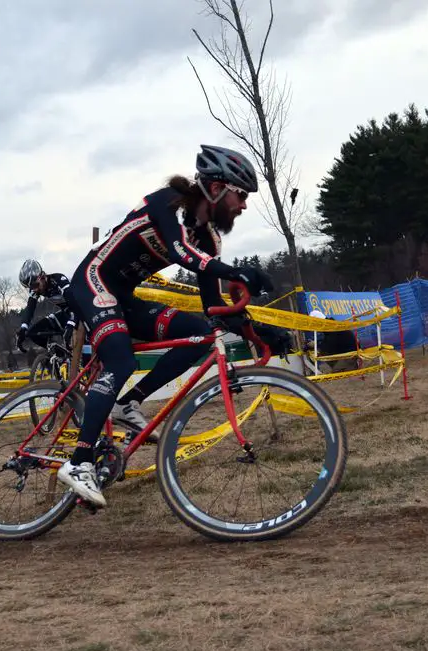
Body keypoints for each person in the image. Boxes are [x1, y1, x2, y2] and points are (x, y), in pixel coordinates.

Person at [56, 144, 274, 507]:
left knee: (200, 336)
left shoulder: (208, 239)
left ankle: (129, 405)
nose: (244, 205)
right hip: (93, 281)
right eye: (242, 195)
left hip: (123, 296)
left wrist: (260, 330)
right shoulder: (169, 202)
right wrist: (236, 272)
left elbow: (213, 308)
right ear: (218, 188)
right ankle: (78, 463)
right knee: (121, 360)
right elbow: (180, 254)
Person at [15, 259, 77, 351]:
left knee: (84, 351)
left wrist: (71, 323)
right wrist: (23, 328)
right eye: (31, 287)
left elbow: (75, 304)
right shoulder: (37, 289)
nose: (34, 290)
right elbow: (30, 308)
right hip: (66, 314)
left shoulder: (58, 280)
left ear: (42, 277)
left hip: (79, 312)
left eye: (35, 285)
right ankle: (60, 354)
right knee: (33, 332)